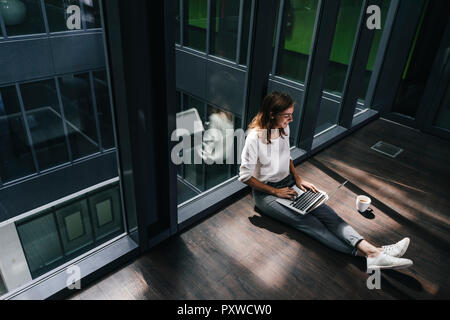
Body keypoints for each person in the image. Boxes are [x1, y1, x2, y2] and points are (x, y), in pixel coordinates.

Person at [239, 91, 413, 270]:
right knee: (310, 223)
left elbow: (286, 155)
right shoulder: (254, 138)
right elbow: (245, 177)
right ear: (272, 114)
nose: (291, 119)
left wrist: (298, 178)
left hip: (290, 185)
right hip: (267, 195)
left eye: (291, 114)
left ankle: (375, 253)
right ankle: (375, 254)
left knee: (328, 214)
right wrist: (276, 192)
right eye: (287, 115)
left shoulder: (283, 128)